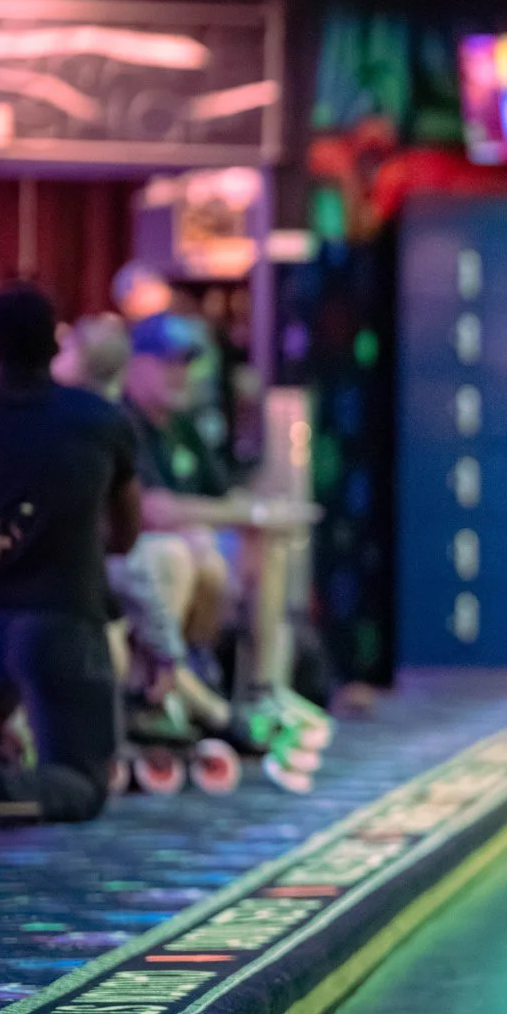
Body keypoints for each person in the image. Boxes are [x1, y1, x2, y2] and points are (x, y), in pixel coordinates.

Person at [122, 313, 323, 787]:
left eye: (188, 363)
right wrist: (241, 516)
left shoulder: (184, 426)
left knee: (262, 543)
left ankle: (261, 691)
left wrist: (264, 510)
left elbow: (221, 494)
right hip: (142, 558)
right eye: (170, 362)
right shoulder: (125, 422)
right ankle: (173, 696)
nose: (181, 374)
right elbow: (155, 510)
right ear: (138, 364)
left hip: (195, 552)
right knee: (190, 550)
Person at [0, 285, 140, 824]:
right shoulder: (97, 420)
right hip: (63, 623)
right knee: (81, 786)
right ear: (53, 343)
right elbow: (126, 532)